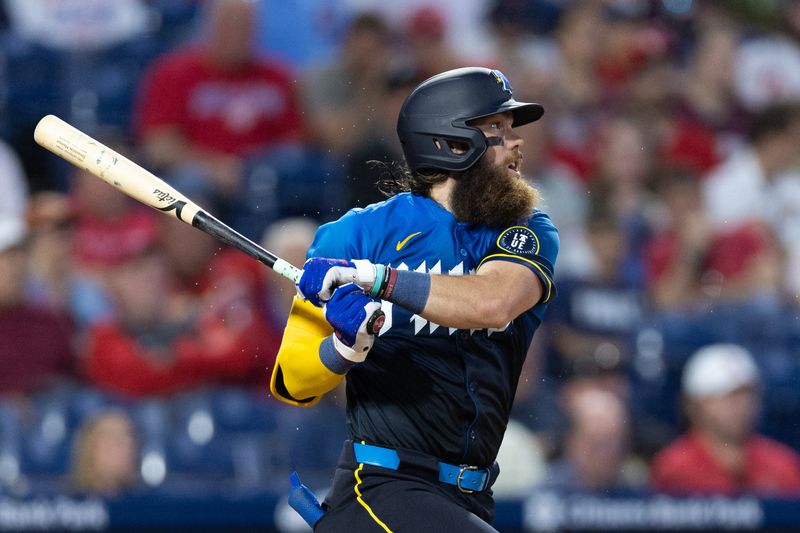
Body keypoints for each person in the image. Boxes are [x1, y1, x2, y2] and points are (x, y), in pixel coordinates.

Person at [271, 67, 558, 532]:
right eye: (497, 130)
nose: (517, 143)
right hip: (381, 487)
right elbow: (294, 380)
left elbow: (493, 302)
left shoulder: (526, 229)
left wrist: (374, 278)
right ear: (451, 142)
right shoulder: (354, 234)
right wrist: (345, 348)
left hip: (471, 497)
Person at [650, 343, 800, 496]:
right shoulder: (674, 467)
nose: (741, 405)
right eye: (728, 396)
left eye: (747, 395)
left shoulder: (783, 464)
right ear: (697, 404)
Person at [70, 410, 139, 497]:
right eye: (116, 439)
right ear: (90, 448)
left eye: (130, 438)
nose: (128, 447)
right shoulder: (61, 503)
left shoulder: (149, 504)